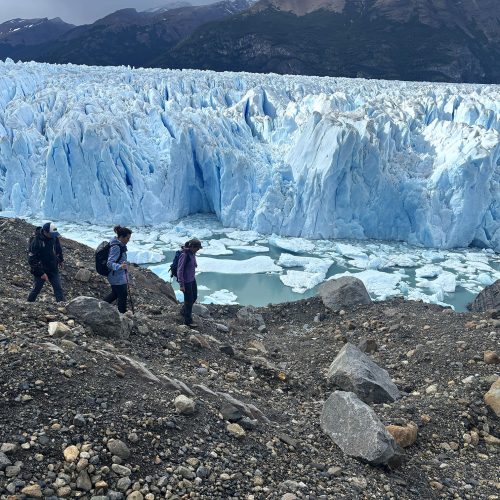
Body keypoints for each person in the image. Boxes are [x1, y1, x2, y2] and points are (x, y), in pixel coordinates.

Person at [27, 222, 64, 303]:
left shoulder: (54, 237)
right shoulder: (36, 241)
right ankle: (28, 304)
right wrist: (41, 273)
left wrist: (61, 260)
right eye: (52, 234)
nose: (54, 236)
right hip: (41, 269)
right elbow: (32, 259)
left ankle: (62, 306)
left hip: (53, 268)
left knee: (58, 288)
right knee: (37, 289)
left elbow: (58, 249)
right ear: (45, 232)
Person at [104, 225, 132, 314]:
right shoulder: (116, 247)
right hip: (117, 278)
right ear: (121, 237)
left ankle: (100, 306)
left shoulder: (119, 245)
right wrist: (120, 267)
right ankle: (122, 315)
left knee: (115, 294)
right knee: (122, 296)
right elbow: (109, 263)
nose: (128, 240)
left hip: (118, 277)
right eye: (127, 238)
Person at [177, 238, 202, 327]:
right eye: (197, 248)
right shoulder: (184, 255)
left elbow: (192, 263)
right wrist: (181, 284)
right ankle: (188, 321)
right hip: (186, 281)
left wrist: (194, 263)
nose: (198, 250)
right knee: (189, 301)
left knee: (194, 297)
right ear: (192, 247)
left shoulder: (192, 253)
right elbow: (180, 270)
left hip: (192, 279)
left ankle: (184, 311)